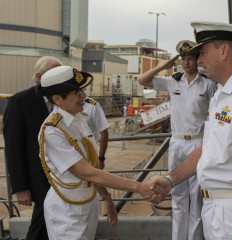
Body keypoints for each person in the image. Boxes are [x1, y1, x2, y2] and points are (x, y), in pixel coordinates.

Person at [148, 22, 232, 240]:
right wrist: (170, 180)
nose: (199, 60)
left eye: (203, 52)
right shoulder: (222, 94)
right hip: (215, 210)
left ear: (224, 51)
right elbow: (209, 149)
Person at [37, 65, 161, 239]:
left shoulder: (79, 119)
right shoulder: (53, 131)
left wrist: (107, 198)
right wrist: (138, 187)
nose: (83, 96)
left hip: (89, 202)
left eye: (82, 90)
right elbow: (86, 172)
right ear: (58, 99)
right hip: (67, 207)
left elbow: (92, 165)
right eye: (76, 92)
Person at [138, 40, 216, 240]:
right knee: (178, 196)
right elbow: (142, 80)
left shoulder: (208, 84)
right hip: (177, 143)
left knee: (196, 198)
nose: (187, 62)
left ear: (197, 60)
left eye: (190, 58)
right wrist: (164, 66)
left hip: (198, 142)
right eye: (183, 59)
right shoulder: (173, 81)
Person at [3, 56, 62, 240]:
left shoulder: (64, 100)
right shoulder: (20, 101)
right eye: (55, 73)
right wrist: (20, 187)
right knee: (43, 218)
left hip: (63, 175)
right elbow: (13, 148)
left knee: (52, 220)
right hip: (38, 178)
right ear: (39, 77)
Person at [82, 97, 118, 224]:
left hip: (89, 156)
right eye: (77, 91)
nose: (82, 95)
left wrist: (101, 158)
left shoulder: (92, 106)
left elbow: (104, 132)